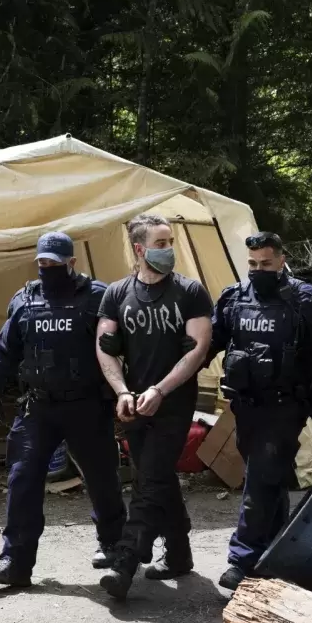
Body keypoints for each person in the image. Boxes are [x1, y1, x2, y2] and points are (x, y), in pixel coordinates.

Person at [208, 231, 312, 591]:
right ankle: (277, 551)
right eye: (253, 264)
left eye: (266, 263)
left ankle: (242, 560)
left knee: (260, 478)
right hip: (245, 405)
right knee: (267, 477)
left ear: (281, 259)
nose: (258, 270)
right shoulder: (234, 298)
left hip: (285, 405)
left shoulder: (305, 300)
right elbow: (208, 341)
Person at [0, 232, 127, 587]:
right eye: (42, 263)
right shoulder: (25, 299)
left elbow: (122, 346)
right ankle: (15, 561)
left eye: (55, 263)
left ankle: (113, 545)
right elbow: (7, 349)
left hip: (87, 406)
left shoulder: (98, 297)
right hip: (38, 406)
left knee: (102, 477)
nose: (47, 268)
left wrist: (127, 394)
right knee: (22, 478)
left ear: (72, 262)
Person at [94, 213, 213, 600]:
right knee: (155, 476)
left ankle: (127, 560)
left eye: (171, 241)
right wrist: (123, 391)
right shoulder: (116, 294)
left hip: (174, 403)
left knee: (149, 480)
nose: (169, 249)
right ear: (140, 248)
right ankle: (179, 555)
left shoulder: (190, 291)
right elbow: (105, 348)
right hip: (133, 406)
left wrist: (160, 390)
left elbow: (197, 350)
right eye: (161, 243)